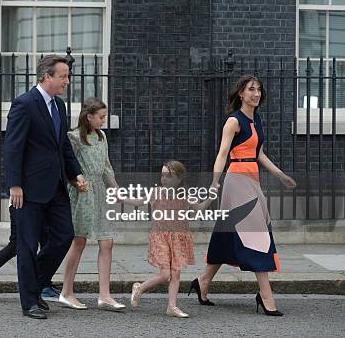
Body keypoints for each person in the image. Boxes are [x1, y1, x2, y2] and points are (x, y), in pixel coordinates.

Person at [189, 74, 296, 316]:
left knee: (226, 235)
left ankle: (203, 281)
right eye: (251, 89)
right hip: (237, 181)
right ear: (241, 93)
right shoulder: (233, 121)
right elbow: (222, 154)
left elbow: (258, 153)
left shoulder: (256, 119)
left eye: (258, 89)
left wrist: (280, 175)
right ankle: (266, 296)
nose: (256, 93)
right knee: (257, 234)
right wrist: (214, 183)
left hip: (252, 180)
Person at [4, 55, 88, 320]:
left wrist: (75, 174)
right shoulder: (24, 104)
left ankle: (33, 283)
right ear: (46, 77)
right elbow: (13, 147)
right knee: (27, 245)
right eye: (62, 76)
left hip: (55, 186)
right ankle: (29, 301)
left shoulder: (60, 106)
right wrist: (15, 184)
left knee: (64, 236)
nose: (67, 81)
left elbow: (62, 144)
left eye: (67, 76)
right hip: (28, 189)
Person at [59, 97, 125, 311]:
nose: (104, 121)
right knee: (79, 241)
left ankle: (104, 296)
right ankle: (66, 292)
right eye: (101, 117)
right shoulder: (74, 137)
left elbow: (106, 166)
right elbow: (66, 166)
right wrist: (75, 182)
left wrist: (116, 189)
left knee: (107, 242)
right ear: (89, 117)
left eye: (105, 117)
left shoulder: (102, 136)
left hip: (100, 192)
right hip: (82, 193)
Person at [127, 161, 214, 318]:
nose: (164, 179)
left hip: (178, 238)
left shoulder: (184, 196)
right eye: (163, 175)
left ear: (179, 179)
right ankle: (139, 288)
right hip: (160, 237)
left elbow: (199, 208)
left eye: (169, 176)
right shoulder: (156, 192)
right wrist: (122, 198)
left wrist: (210, 198)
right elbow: (139, 202)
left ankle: (172, 307)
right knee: (165, 275)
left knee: (176, 274)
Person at [0, 211, 61, 303]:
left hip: (39, 205)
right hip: (21, 205)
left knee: (46, 237)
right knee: (16, 244)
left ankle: (43, 285)